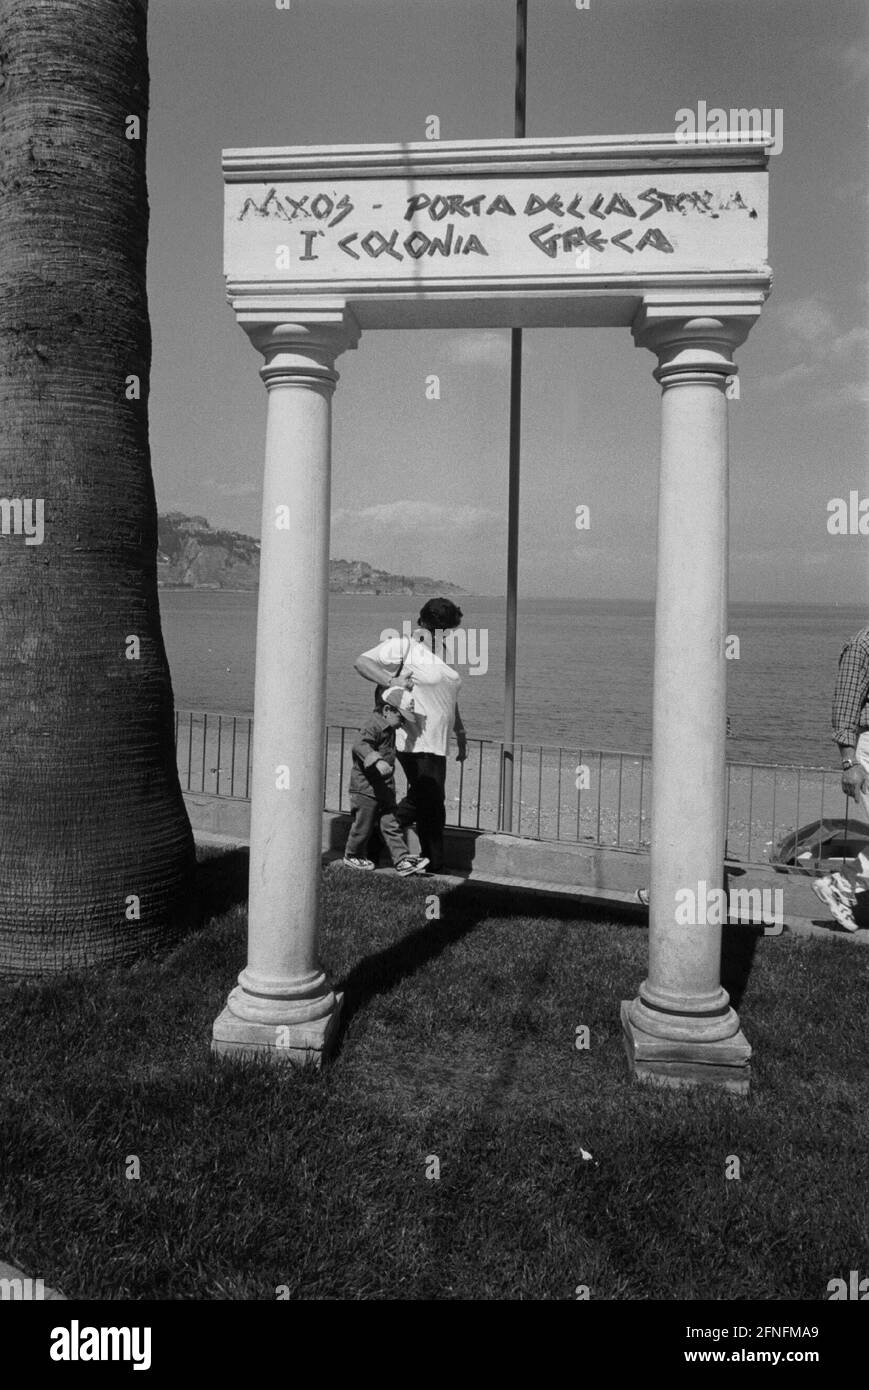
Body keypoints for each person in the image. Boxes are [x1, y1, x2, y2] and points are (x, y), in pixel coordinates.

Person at [354, 597, 468, 874]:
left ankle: (431, 860)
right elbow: (362, 662)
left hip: (437, 742)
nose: (448, 632)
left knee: (432, 802)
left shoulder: (439, 652)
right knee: (424, 798)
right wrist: (391, 680)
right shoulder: (405, 646)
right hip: (414, 739)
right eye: (447, 626)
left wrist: (460, 732)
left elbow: (446, 698)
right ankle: (382, 832)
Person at [811, 622, 869, 931]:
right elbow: (846, 706)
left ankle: (841, 886)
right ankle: (841, 886)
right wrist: (849, 763)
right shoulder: (862, 645)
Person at [343, 687, 430, 876]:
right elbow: (360, 744)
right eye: (401, 717)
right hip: (365, 789)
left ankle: (401, 859)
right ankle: (352, 854)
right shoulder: (372, 725)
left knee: (391, 824)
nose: (403, 722)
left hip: (384, 789)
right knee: (363, 824)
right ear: (387, 710)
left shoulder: (390, 729)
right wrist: (377, 759)